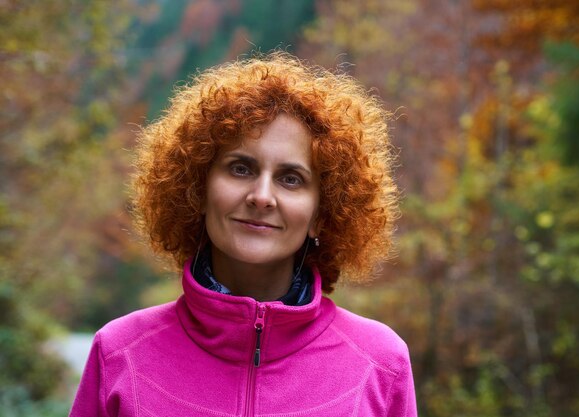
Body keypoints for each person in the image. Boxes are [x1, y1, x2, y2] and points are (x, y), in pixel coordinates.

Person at [69, 52, 417, 417]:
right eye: (240, 168)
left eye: (290, 178)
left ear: (321, 215)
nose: (262, 197)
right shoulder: (119, 353)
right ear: (198, 190)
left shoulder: (380, 364)